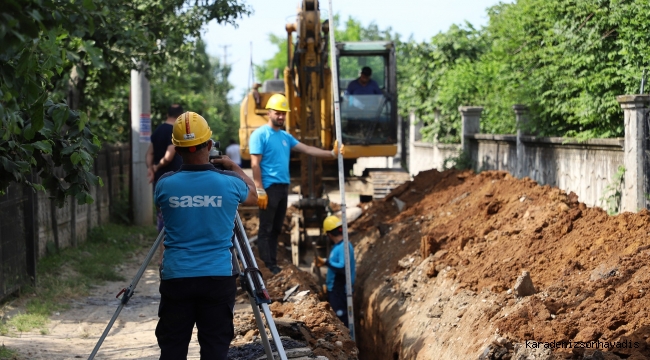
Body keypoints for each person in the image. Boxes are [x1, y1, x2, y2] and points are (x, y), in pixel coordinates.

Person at [154, 111, 257, 360]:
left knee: (172, 348)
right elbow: (255, 195)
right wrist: (232, 166)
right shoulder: (231, 183)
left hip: (177, 277)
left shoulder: (165, 185)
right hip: (217, 278)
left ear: (177, 150)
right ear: (210, 145)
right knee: (215, 349)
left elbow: (164, 212)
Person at [250, 93, 343, 275]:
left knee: (276, 228)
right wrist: (259, 188)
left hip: (283, 188)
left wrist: (331, 154)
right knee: (266, 228)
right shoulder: (260, 135)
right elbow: (255, 163)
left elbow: (307, 149)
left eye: (284, 113)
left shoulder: (285, 136)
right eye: (277, 113)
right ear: (269, 112)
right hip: (269, 189)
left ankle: (273, 263)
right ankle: (267, 266)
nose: (281, 116)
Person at [147, 104, 185, 232]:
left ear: (167, 114)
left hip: (159, 183)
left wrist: (150, 169)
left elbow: (149, 153)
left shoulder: (157, 130)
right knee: (176, 221)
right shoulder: (175, 131)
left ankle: (162, 252)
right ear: (180, 116)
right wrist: (157, 167)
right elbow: (169, 156)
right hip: (174, 180)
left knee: (162, 220)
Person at [315, 215, 356, 328]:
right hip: (336, 290)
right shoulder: (339, 246)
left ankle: (347, 343)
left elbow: (343, 268)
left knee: (342, 321)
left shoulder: (344, 246)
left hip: (341, 291)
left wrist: (326, 262)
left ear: (329, 234)